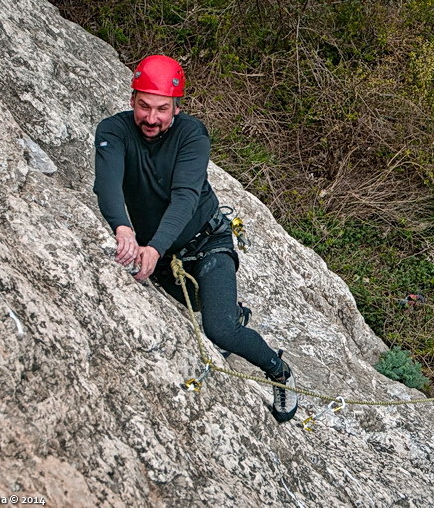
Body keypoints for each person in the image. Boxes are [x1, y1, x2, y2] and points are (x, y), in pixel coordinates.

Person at [93, 54, 298, 423]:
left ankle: (280, 372)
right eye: (144, 106)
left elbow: (186, 196)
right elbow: (106, 183)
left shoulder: (191, 135)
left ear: (176, 108)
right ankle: (231, 308)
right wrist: (122, 228)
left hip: (207, 244)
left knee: (219, 329)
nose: (151, 118)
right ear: (131, 100)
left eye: (162, 109)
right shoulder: (113, 132)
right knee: (196, 309)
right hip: (162, 253)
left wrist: (153, 247)